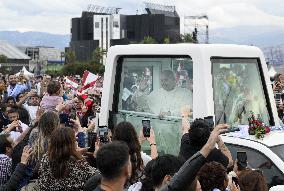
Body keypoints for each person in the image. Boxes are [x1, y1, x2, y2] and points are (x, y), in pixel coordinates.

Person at [112, 122, 156, 187]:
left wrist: (140, 140)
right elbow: (156, 166)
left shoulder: (110, 156)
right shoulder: (141, 158)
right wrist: (152, 141)